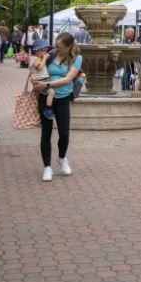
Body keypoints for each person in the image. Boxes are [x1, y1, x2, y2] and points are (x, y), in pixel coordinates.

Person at [31, 32, 82, 181]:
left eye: (59, 47)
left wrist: (47, 84)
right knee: (46, 133)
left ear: (69, 47)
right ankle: (47, 168)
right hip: (46, 97)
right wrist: (36, 83)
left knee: (64, 133)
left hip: (63, 97)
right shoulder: (51, 55)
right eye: (56, 46)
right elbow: (36, 70)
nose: (56, 49)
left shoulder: (77, 59)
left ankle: (62, 158)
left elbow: (68, 79)